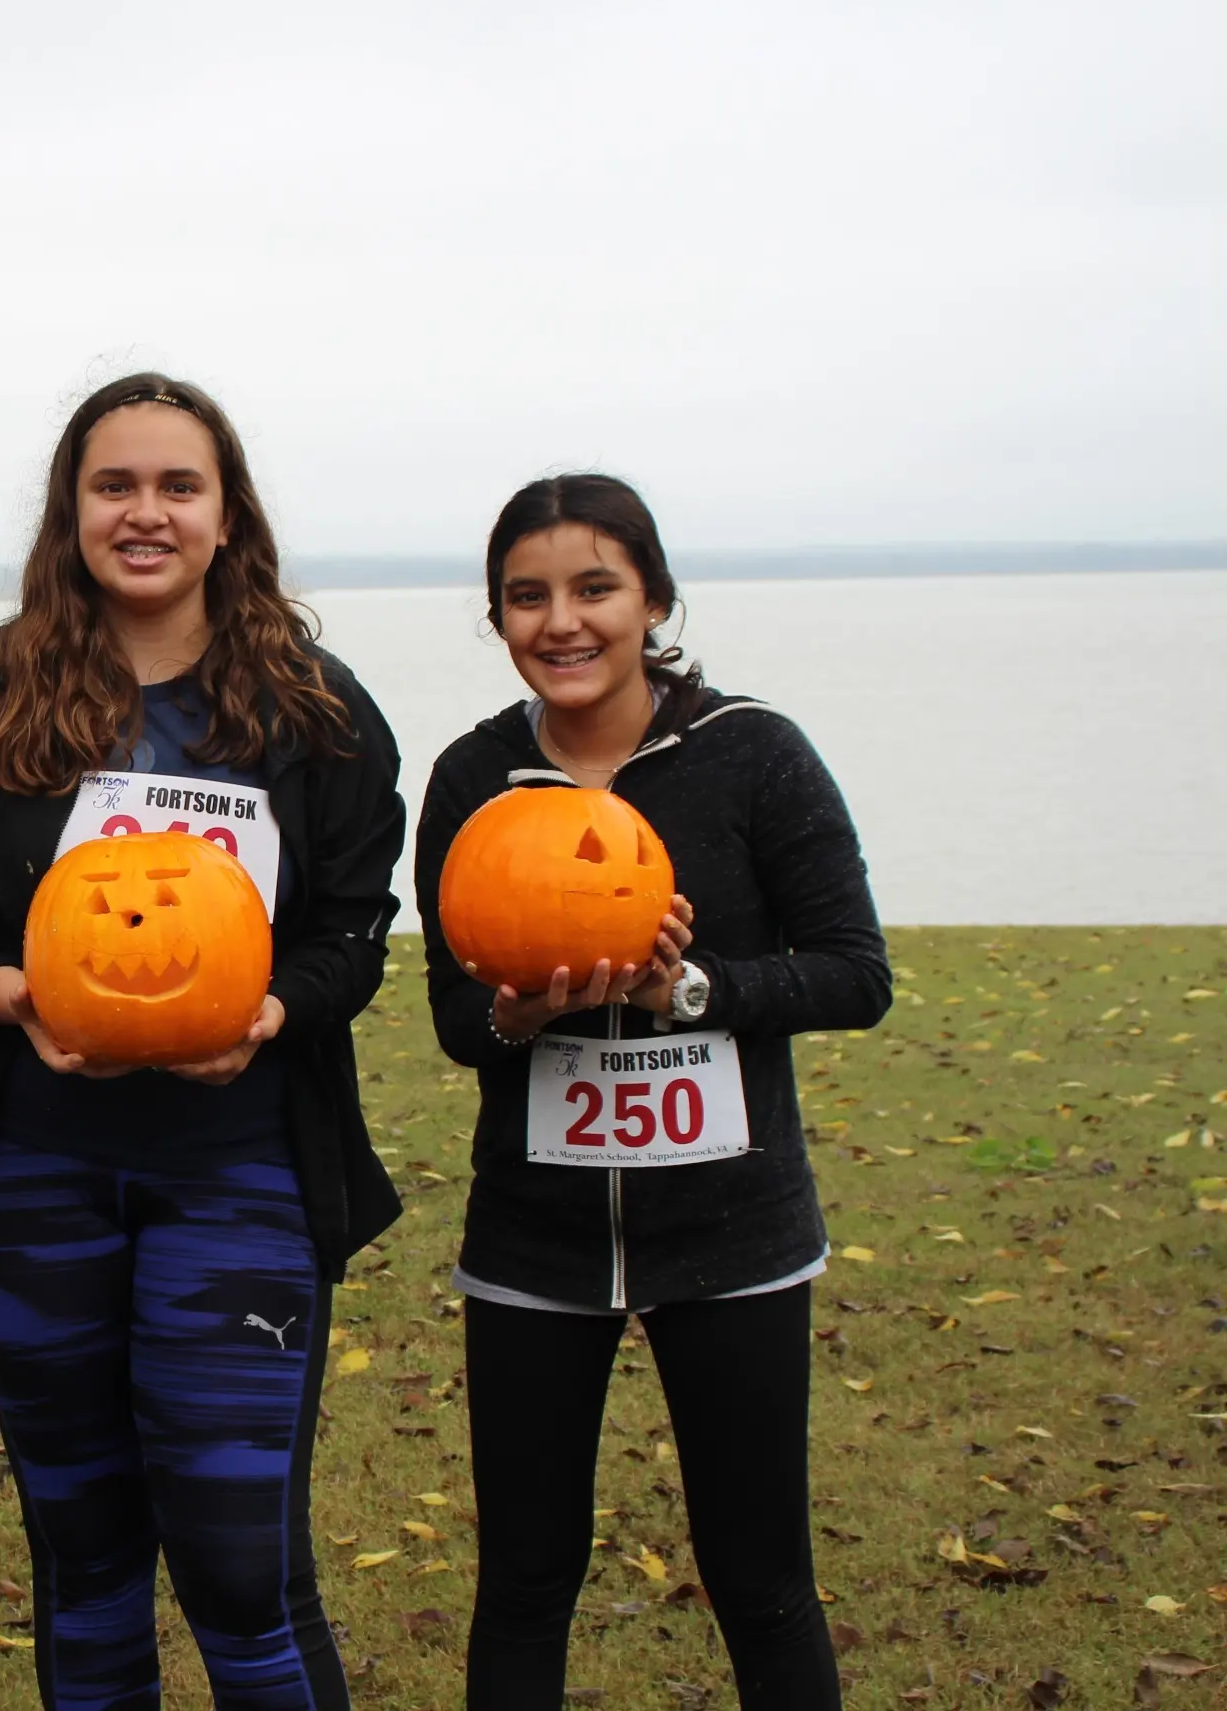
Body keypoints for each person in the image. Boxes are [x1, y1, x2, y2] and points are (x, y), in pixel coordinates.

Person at [0, 372, 407, 1710]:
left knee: (241, 1564)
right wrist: (11, 997)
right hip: (27, 1179)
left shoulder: (317, 713)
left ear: (230, 517)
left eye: (180, 486)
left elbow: (354, 925)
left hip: (240, 1173)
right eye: (116, 485)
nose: (147, 512)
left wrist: (274, 1011)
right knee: (89, 1555)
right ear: (71, 510)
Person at [414, 474, 892, 1711]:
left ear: (655, 602)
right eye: (527, 597)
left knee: (762, 1578)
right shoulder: (475, 778)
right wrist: (521, 1014)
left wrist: (689, 988)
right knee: (524, 1579)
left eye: (594, 589)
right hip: (536, 1236)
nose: (560, 622)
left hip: (732, 1232)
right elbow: (458, 1024)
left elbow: (854, 975)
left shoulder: (750, 755)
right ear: (499, 618)